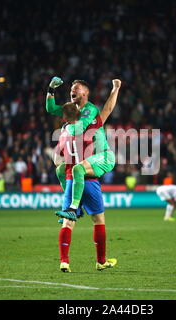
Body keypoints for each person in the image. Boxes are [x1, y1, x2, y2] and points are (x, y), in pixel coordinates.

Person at [53, 79, 121, 273]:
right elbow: (106, 110)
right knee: (98, 220)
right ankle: (100, 261)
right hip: (85, 176)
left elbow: (57, 162)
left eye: (77, 89)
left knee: (68, 222)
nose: (72, 91)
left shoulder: (75, 125)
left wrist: (115, 89)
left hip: (77, 174)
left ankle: (64, 260)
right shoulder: (81, 124)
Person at [46, 77, 116, 218]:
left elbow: (79, 128)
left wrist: (66, 127)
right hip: (90, 157)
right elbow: (51, 108)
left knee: (77, 169)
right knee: (60, 170)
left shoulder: (89, 109)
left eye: (76, 88)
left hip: (103, 155)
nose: (72, 90)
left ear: (85, 93)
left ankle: (73, 207)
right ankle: (74, 206)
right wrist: (51, 89)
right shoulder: (72, 110)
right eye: (71, 89)